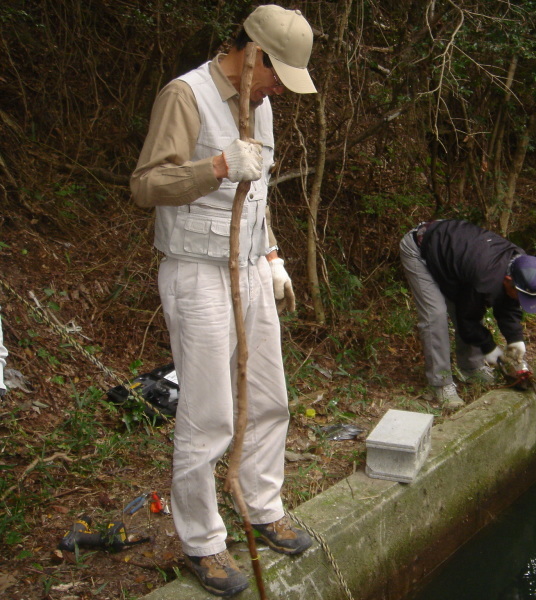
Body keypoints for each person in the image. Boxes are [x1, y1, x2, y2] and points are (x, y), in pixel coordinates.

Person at [130, 5, 315, 596]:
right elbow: (147, 184)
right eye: (274, 76)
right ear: (253, 53)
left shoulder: (259, 106)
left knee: (269, 395)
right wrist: (214, 167)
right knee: (208, 413)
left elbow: (255, 196)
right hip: (197, 273)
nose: (274, 93)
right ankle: (202, 543)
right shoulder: (185, 96)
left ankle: (262, 505)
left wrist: (273, 255)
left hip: (250, 268)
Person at [399, 219, 536, 409]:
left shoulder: (520, 263)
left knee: (469, 304)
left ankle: (471, 368)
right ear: (507, 280)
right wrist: (489, 348)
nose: (522, 302)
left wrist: (515, 339)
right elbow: (467, 319)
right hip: (420, 247)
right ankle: (440, 384)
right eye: (522, 297)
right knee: (436, 315)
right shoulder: (485, 277)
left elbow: (508, 304)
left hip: (454, 258)